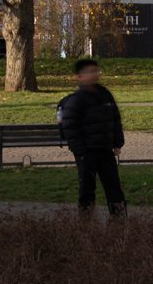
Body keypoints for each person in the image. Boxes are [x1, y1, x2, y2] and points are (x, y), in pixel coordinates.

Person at [58, 57, 126, 217]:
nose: (94, 74)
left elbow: (115, 118)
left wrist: (117, 142)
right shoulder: (76, 100)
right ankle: (86, 222)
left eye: (96, 70)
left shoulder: (105, 94)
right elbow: (69, 127)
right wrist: (80, 150)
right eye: (89, 72)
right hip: (87, 152)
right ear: (79, 77)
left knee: (113, 186)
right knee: (87, 187)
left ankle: (119, 220)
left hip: (105, 150)